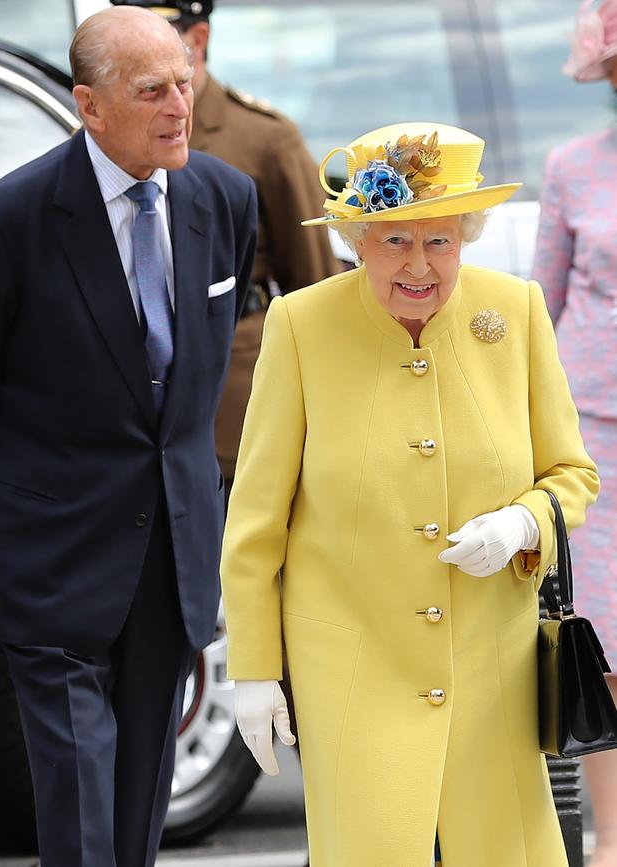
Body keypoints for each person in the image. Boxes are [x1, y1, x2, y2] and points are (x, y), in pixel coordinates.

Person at [220, 121, 599, 867]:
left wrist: (522, 525)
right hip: (355, 662)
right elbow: (256, 519)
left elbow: (571, 473)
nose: (419, 265)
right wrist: (255, 668)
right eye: (395, 240)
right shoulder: (301, 325)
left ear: (467, 236)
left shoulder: (515, 313)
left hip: (493, 664)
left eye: (441, 241)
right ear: (358, 241)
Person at [0, 6, 256, 867]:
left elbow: (193, 381)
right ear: (89, 107)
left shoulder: (225, 199)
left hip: (171, 551)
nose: (180, 105)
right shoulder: (3, 224)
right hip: (51, 555)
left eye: (184, 81)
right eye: (151, 91)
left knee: (138, 810)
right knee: (82, 804)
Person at [110, 0, 340, 491]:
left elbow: (316, 283)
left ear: (196, 41)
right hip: (127, 397)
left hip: (233, 387)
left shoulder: (263, 138)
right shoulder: (110, 133)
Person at [532, 3, 617, 864]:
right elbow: (539, 306)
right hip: (598, 429)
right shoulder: (573, 166)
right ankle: (610, 840)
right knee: (607, 632)